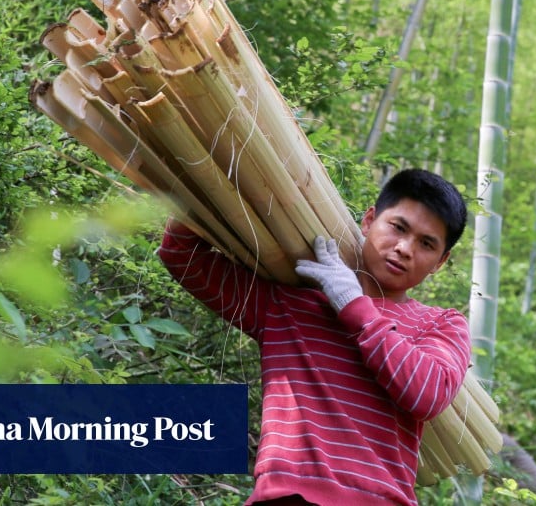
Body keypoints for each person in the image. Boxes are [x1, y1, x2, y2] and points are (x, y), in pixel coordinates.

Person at [157, 168, 472, 505]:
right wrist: (215, 179)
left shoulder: (440, 324)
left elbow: (428, 393)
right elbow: (181, 254)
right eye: (398, 227)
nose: (404, 248)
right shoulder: (288, 303)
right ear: (369, 221)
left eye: (426, 244)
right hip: (283, 496)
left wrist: (354, 306)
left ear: (441, 261)